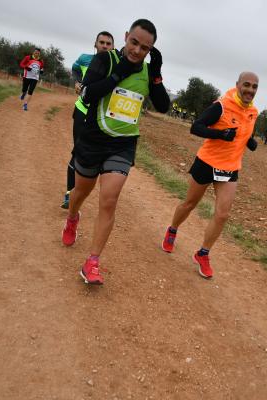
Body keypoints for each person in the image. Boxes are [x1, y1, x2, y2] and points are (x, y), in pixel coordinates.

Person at [61, 19, 170, 285]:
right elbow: (87, 94)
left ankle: (93, 262)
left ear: (151, 50)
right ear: (125, 37)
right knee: (81, 192)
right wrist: (118, 74)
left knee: (109, 200)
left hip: (123, 143)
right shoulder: (106, 60)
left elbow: (164, 106)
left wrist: (156, 75)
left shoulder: (147, 71)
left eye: (145, 48)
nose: (137, 50)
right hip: (93, 138)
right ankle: (73, 217)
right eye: (134, 42)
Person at [161, 72, 259, 279]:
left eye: (254, 87)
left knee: (222, 214)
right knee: (189, 204)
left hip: (230, 168)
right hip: (207, 162)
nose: (250, 90)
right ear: (238, 85)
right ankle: (172, 229)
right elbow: (195, 127)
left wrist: (249, 141)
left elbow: (244, 132)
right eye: (247, 85)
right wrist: (220, 134)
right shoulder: (221, 106)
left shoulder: (253, 112)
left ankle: (203, 253)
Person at [61, 31, 115, 209]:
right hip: (83, 111)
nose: (105, 46)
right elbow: (75, 69)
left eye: (108, 43)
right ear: (95, 44)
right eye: (102, 42)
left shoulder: (117, 65)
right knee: (78, 150)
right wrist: (77, 82)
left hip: (102, 117)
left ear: (113, 47)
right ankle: (70, 193)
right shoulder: (85, 59)